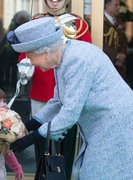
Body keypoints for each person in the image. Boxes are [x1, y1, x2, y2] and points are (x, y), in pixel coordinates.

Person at [7, 17, 133, 179]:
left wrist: (33, 137)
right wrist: (29, 125)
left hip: (116, 122)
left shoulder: (76, 59)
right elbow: (58, 101)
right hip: (103, 122)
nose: (30, 63)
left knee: (103, 172)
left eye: (30, 57)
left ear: (46, 52)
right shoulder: (61, 57)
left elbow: (70, 111)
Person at [18, 0, 91, 178]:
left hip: (69, 93)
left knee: (67, 143)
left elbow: (86, 56)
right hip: (41, 90)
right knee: (41, 144)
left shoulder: (79, 24)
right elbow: (24, 55)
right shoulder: (35, 22)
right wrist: (25, 66)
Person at [103, 0, 127, 79]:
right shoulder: (100, 21)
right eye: (116, 5)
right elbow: (101, 43)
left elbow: (124, 40)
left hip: (118, 64)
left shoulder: (119, 20)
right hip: (106, 62)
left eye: (119, 5)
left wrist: (121, 56)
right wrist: (116, 56)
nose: (119, 7)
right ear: (108, 6)